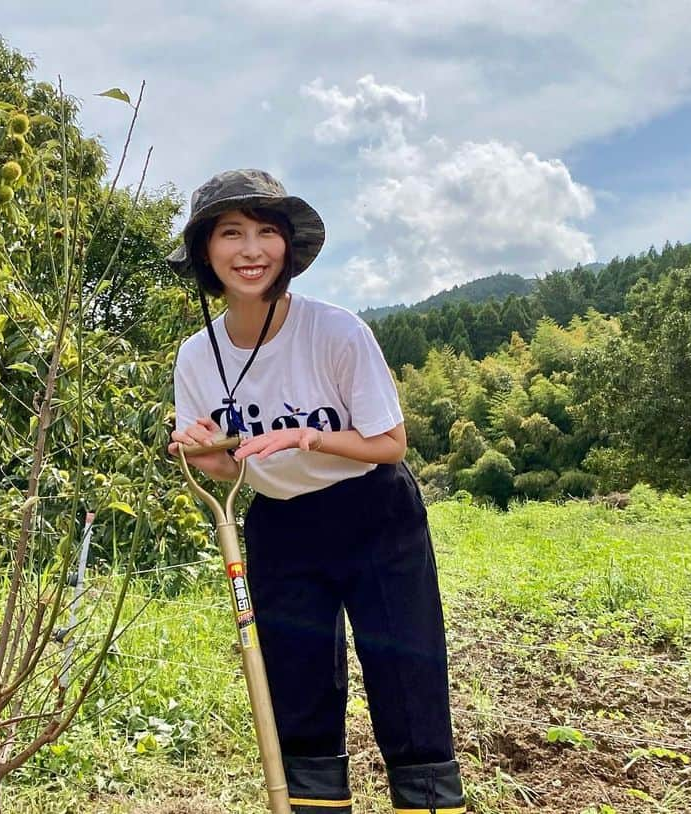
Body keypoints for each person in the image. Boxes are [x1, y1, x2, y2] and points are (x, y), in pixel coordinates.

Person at [166, 169, 466, 814]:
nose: (251, 250)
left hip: (375, 513)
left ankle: (431, 803)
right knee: (296, 689)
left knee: (406, 676)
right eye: (232, 233)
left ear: (288, 250)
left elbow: (389, 443)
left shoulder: (335, 331)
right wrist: (200, 452)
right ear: (205, 251)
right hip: (281, 523)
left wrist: (308, 438)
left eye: (266, 233)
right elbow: (228, 467)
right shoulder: (196, 357)